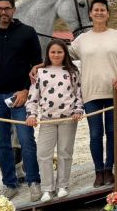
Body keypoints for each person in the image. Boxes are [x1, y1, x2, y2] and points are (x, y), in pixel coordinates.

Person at [0, 0, 43, 201]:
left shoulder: (27, 33)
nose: (3, 12)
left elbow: (37, 65)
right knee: (2, 143)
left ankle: (34, 181)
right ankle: (9, 183)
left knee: (26, 140)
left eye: (7, 8)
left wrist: (25, 90)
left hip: (20, 96)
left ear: (14, 10)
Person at [69, 0, 117, 187]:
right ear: (90, 13)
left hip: (113, 92)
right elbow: (63, 57)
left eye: (103, 10)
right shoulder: (81, 40)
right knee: (95, 134)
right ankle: (98, 171)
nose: (99, 13)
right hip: (91, 93)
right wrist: (42, 65)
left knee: (113, 132)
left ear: (108, 13)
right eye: (95, 10)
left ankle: (109, 169)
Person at [25, 39, 84, 201]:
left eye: (59, 52)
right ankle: (47, 188)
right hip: (47, 120)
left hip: (68, 118)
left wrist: (78, 109)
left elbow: (79, 93)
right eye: (53, 52)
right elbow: (33, 96)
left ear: (65, 53)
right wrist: (31, 114)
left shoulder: (72, 71)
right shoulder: (41, 73)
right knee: (43, 153)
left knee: (65, 152)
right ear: (48, 54)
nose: (56, 55)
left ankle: (62, 185)